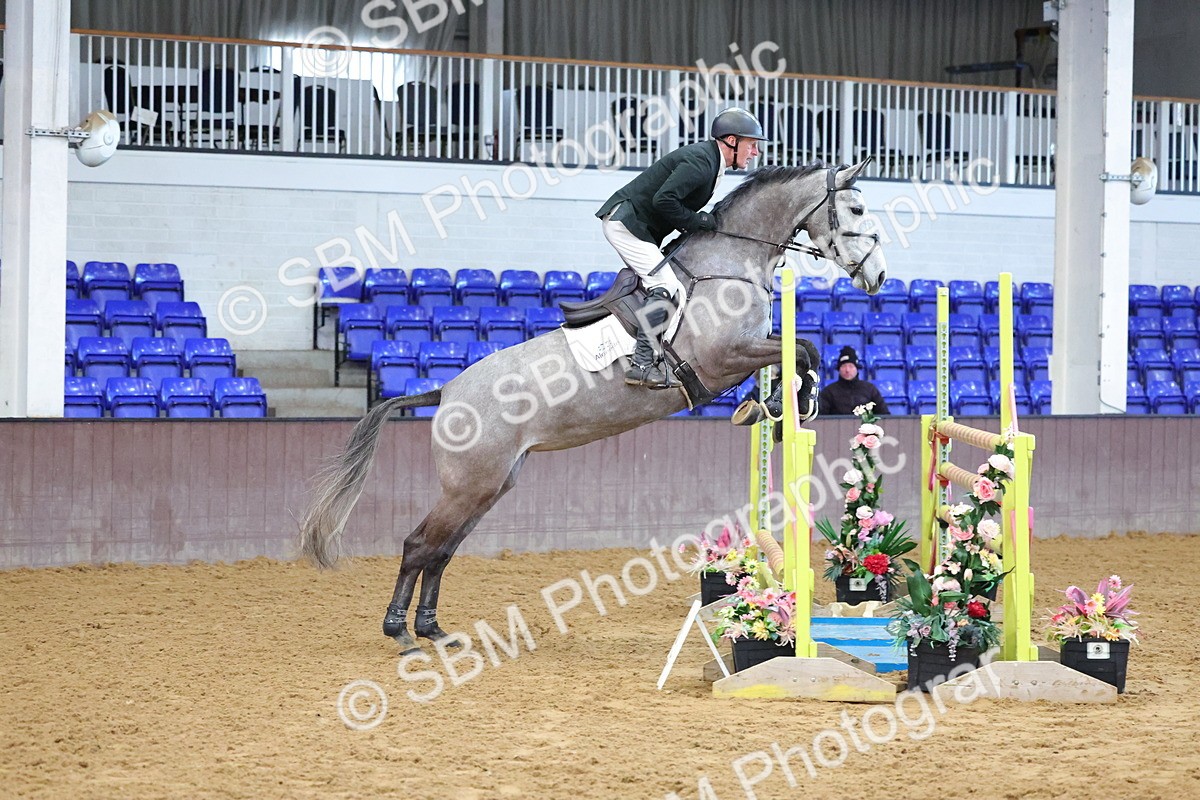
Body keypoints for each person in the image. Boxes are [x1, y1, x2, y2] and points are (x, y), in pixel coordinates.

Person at [595, 107, 767, 388]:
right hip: (626, 223)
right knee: (667, 287)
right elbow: (665, 200)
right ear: (732, 141)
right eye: (752, 144)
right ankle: (640, 364)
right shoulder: (701, 161)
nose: (756, 152)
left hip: (638, 225)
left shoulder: (711, 162)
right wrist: (697, 220)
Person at [818, 345, 890, 416]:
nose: (847, 370)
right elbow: (822, 419)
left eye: (851, 366)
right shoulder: (828, 392)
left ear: (857, 368)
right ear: (839, 369)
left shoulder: (870, 389)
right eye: (843, 366)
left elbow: (884, 415)